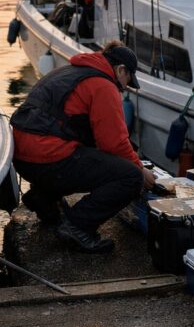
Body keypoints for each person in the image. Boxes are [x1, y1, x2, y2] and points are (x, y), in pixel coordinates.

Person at [11, 42, 156, 253]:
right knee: (130, 177)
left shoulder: (68, 71)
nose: (124, 88)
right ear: (121, 70)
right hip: (48, 159)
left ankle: (43, 199)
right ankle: (77, 226)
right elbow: (114, 143)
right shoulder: (103, 85)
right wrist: (140, 168)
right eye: (127, 81)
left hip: (24, 160)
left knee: (84, 150)